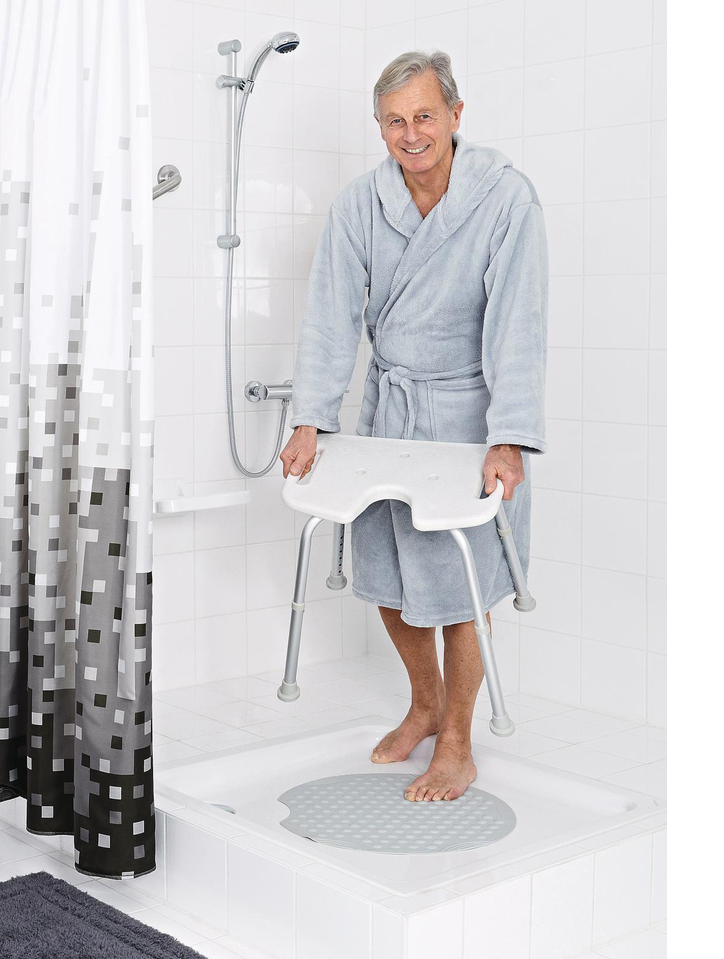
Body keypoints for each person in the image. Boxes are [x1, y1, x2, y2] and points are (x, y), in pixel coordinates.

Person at [280, 50, 547, 802]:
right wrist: (312, 418)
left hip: (469, 414)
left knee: (462, 585)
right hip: (389, 412)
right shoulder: (359, 206)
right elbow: (330, 316)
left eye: (425, 115)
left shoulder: (505, 199)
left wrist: (510, 433)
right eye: (395, 121)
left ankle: (458, 741)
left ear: (456, 116)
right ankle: (424, 703)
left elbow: (518, 324)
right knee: (388, 577)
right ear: (380, 128)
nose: (412, 133)